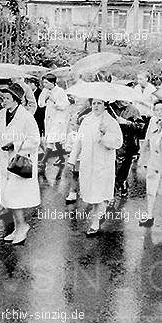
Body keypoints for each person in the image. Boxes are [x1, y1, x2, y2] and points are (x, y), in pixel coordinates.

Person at [67, 98, 122, 236]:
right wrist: (72, 159)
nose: (96, 106)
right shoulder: (86, 120)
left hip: (103, 163)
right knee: (90, 193)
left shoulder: (110, 122)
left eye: (99, 103)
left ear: (105, 105)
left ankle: (95, 222)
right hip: (87, 162)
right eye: (94, 103)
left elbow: (118, 142)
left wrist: (105, 134)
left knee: (98, 193)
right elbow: (79, 141)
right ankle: (100, 211)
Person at [0, 83, 41, 245]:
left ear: (16, 100)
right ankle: (17, 227)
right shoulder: (1, 114)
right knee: (8, 198)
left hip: (19, 162)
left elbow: (35, 139)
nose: (4, 101)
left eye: (7, 98)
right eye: (3, 98)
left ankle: (23, 226)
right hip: (4, 161)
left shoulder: (26, 117)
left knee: (14, 198)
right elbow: (1, 134)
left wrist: (15, 145)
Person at [110, 100, 144, 198]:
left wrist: (127, 123)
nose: (125, 100)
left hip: (128, 145)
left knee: (124, 168)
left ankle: (122, 182)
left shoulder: (133, 110)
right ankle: (113, 190)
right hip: (113, 143)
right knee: (113, 168)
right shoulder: (110, 108)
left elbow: (141, 127)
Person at [38, 73, 70, 178]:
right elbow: (40, 104)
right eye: (43, 82)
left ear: (52, 82)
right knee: (56, 141)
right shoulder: (45, 91)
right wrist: (45, 99)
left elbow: (64, 105)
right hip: (49, 119)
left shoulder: (60, 91)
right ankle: (62, 157)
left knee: (51, 140)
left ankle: (43, 162)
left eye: (46, 82)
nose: (44, 84)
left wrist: (53, 100)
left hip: (58, 119)